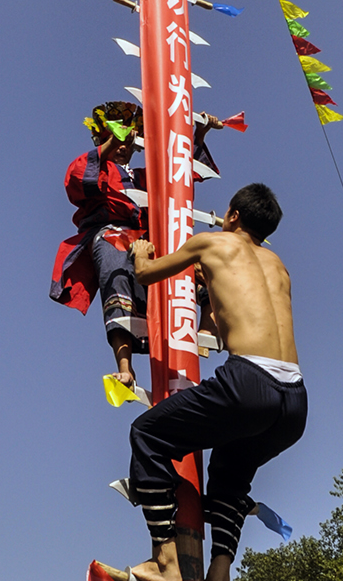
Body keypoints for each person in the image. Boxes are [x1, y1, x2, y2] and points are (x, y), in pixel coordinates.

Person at [121, 183, 305, 581]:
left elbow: (147, 276)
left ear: (234, 216)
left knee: (146, 434)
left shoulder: (210, 242)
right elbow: (240, 318)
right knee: (230, 474)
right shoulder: (279, 266)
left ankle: (166, 564)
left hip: (249, 382)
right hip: (294, 400)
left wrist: (142, 253)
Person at [50, 102, 222, 388]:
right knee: (115, 273)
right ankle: (125, 367)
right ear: (101, 139)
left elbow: (181, 174)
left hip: (152, 240)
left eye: (128, 141)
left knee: (202, 268)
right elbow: (78, 179)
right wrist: (110, 144)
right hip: (113, 234)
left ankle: (204, 329)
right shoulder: (96, 166)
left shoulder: (145, 176)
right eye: (114, 139)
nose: (122, 146)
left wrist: (199, 135)